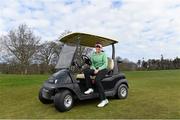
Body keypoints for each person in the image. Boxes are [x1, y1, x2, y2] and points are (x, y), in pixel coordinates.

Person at [83, 42, 108, 107]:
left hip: (103, 69)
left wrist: (98, 69)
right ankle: (90, 88)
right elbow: (92, 64)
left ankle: (104, 100)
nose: (97, 48)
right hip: (95, 69)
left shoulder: (103, 54)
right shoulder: (93, 54)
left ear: (101, 48)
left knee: (97, 80)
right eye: (96, 46)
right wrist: (94, 70)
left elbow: (105, 64)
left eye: (99, 47)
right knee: (86, 71)